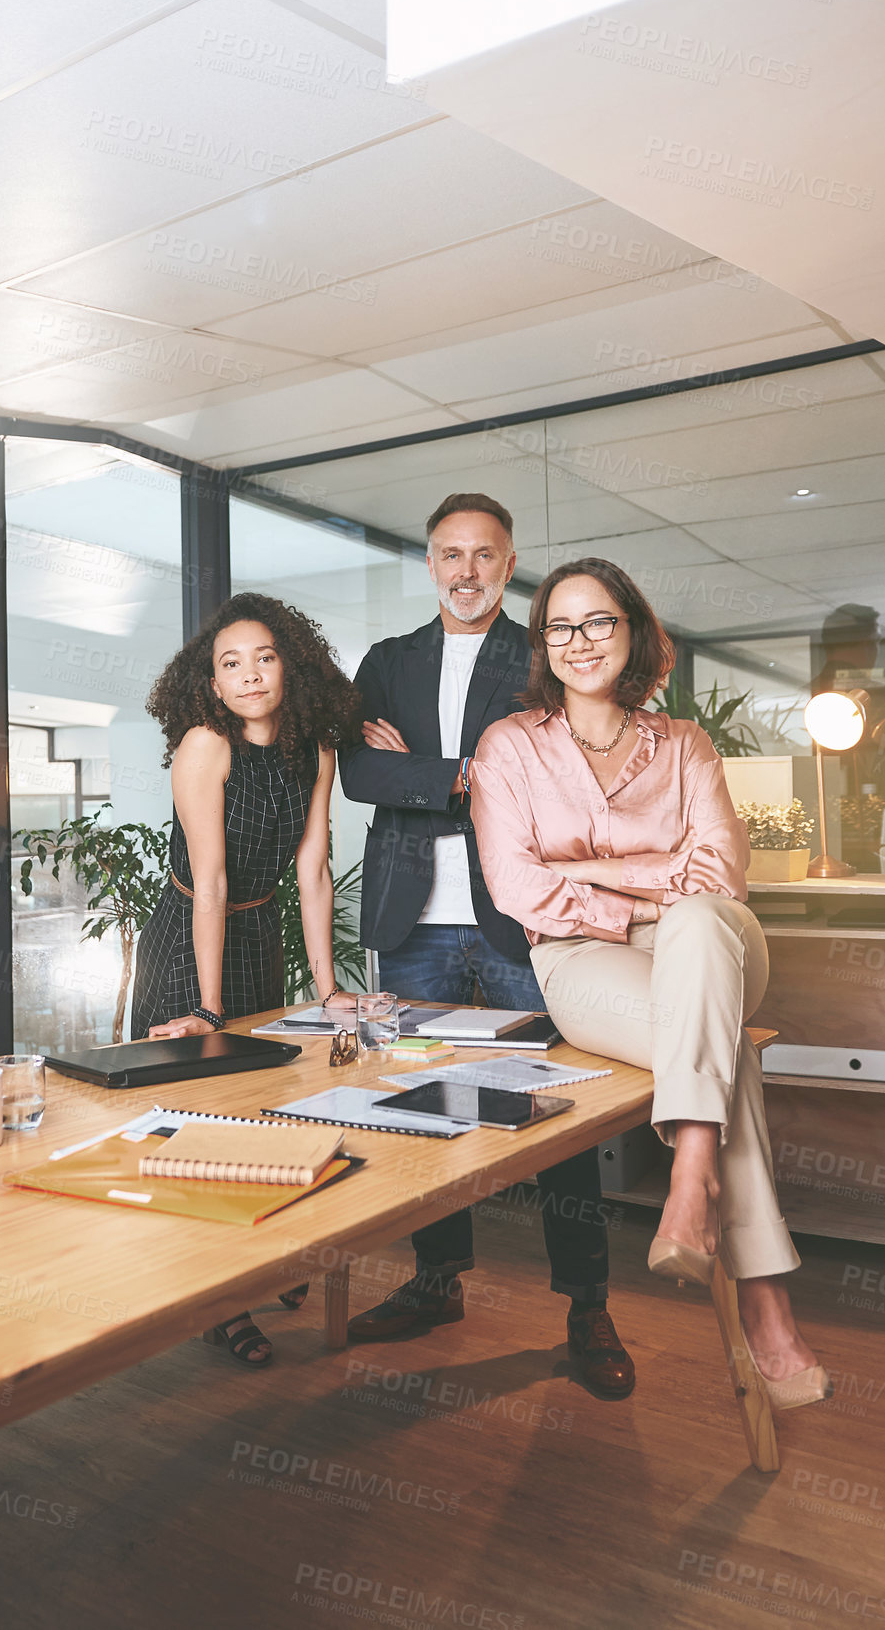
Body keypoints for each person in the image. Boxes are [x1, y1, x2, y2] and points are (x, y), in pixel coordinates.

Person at [471, 556, 829, 1409]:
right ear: (541, 644)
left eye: (598, 621)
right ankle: (765, 1300)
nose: (578, 641)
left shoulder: (685, 745)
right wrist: (644, 881)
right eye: (559, 626)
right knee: (718, 1049)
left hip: (711, 941)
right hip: (579, 959)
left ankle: (690, 1169)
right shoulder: (509, 747)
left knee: (700, 925)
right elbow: (515, 887)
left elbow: (719, 876)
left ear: (631, 630)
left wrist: (606, 875)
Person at [339, 495, 634, 1400]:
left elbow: (559, 774)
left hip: (520, 919)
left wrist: (427, 772)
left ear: (509, 568)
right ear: (429, 563)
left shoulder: (538, 654)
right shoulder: (387, 664)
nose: (465, 571)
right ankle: (436, 1281)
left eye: (484, 556)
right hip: (412, 922)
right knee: (425, 1111)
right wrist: (467, 773)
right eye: (448, 554)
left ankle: (587, 1304)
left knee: (559, 1114)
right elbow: (357, 770)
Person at [132, 592, 361, 1368]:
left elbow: (314, 871)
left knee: (255, 1113)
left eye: (263, 657)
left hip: (258, 930)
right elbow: (211, 879)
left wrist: (328, 989)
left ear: (288, 665)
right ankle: (216, 1305)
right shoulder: (205, 745)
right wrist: (206, 1007)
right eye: (230, 664)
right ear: (213, 683)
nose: (250, 674)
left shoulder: (315, 751)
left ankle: (252, 1262)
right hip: (190, 930)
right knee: (196, 1114)